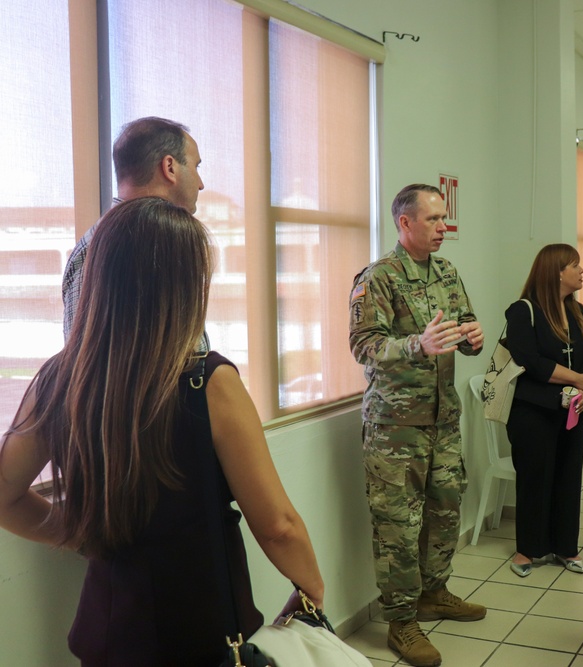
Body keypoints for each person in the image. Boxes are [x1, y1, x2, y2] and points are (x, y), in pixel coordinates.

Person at [0, 198, 324, 666]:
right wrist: (312, 590)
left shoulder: (60, 378)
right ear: (185, 285)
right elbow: (278, 526)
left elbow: (5, 494)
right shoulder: (209, 383)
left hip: (107, 634)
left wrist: (76, 532)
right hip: (201, 632)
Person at [349, 184, 486, 667]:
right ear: (405, 223)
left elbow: (464, 324)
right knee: (398, 528)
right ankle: (402, 622)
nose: (443, 228)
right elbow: (363, 345)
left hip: (443, 418)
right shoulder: (379, 277)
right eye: (432, 220)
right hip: (395, 428)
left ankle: (435, 591)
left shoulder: (446, 271)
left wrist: (472, 336)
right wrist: (415, 345)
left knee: (446, 512)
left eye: (444, 219)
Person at [62, 116, 206, 347]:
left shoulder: (166, 240)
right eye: (195, 166)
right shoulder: (100, 248)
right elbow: (90, 364)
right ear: (169, 167)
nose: (201, 183)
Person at [505, 244, 583, 578]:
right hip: (533, 412)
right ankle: (527, 549)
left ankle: (566, 547)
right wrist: (576, 379)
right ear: (558, 271)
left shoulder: (578, 311)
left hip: (573, 409)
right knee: (534, 478)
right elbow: (530, 361)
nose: (581, 271)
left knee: (568, 477)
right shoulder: (523, 311)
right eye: (576, 266)